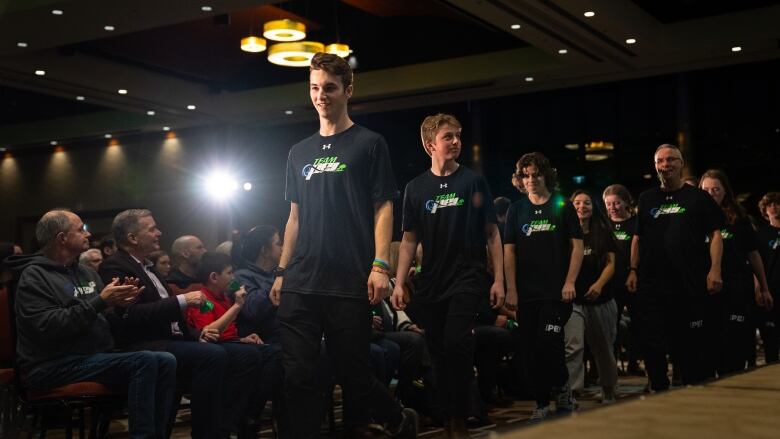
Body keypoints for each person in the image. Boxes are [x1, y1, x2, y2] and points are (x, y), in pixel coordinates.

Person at [269, 52, 416, 438]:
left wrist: (380, 265)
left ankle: (398, 418)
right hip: (301, 278)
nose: (321, 95)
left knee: (353, 372)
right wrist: (282, 272)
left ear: (348, 90)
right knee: (298, 374)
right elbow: (294, 217)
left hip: (349, 277)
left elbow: (383, 207)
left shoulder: (369, 144)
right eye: (315, 87)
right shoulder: (298, 152)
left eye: (330, 88)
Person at [7, 210, 176, 439]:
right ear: (62, 238)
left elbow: (104, 319)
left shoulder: (87, 273)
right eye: (80, 229)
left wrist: (122, 307)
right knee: (144, 361)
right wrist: (100, 301)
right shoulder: (34, 276)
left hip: (92, 356)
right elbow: (47, 326)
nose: (88, 233)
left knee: (165, 360)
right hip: (51, 364)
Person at [391, 113, 503, 438]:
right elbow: (409, 239)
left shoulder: (472, 181)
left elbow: (492, 233)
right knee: (439, 353)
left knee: (457, 343)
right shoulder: (415, 188)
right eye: (448, 137)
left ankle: (463, 418)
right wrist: (399, 282)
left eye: (458, 136)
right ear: (430, 145)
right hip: (432, 282)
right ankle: (451, 418)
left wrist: (499, 280)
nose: (456, 142)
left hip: (468, 276)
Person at [98, 209, 238, 438]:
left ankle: (235, 425)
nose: (159, 233)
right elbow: (132, 315)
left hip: (169, 341)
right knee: (213, 355)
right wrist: (183, 300)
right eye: (152, 229)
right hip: (144, 343)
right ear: (133, 238)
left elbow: (172, 320)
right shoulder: (115, 266)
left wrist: (196, 335)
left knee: (241, 354)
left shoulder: (148, 267)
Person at [626, 144, 724, 391]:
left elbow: (715, 234)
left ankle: (692, 388)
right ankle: (659, 387)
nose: (665, 165)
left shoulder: (698, 197)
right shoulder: (647, 198)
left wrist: (715, 270)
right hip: (652, 283)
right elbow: (637, 238)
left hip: (689, 282)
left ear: (681, 164)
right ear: (655, 166)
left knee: (688, 342)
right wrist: (633, 270)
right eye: (660, 161)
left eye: (671, 160)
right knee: (651, 340)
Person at [503, 152, 583, 423]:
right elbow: (509, 252)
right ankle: (540, 402)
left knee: (550, 342)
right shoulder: (516, 210)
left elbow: (577, 247)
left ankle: (562, 391)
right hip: (526, 294)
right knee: (531, 350)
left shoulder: (562, 205)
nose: (530, 180)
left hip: (556, 292)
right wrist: (510, 288)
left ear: (545, 175)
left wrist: (570, 281)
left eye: (535, 174)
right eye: (525, 175)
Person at [186, 252, 282, 437]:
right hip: (211, 348)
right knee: (251, 356)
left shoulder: (224, 296)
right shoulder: (202, 298)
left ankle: (250, 413)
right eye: (229, 273)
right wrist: (237, 306)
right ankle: (233, 420)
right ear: (214, 277)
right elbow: (210, 332)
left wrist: (242, 339)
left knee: (273, 353)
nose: (233, 277)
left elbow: (230, 332)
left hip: (231, 344)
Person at [699, 170, 772, 373]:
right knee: (710, 346)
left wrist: (764, 288)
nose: (711, 193)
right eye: (706, 190)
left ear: (725, 192)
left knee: (735, 346)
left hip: (737, 289)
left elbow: (754, 255)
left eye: (716, 189)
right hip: (706, 290)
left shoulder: (739, 219)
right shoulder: (694, 218)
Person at [565, 190, 619, 404]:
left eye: (586, 202)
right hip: (574, 300)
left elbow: (611, 265)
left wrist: (599, 284)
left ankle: (608, 388)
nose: (581, 206)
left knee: (603, 347)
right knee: (573, 346)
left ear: (593, 206)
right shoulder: (565, 233)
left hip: (601, 299)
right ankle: (572, 393)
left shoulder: (602, 231)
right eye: (577, 202)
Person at [602, 184, 642, 375]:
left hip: (634, 281)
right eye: (608, 204)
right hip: (611, 284)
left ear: (626, 202)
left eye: (617, 203)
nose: (613, 207)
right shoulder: (603, 225)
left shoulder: (636, 223)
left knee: (639, 326)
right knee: (611, 328)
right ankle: (612, 368)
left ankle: (635, 362)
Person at [232, 226, 282, 344]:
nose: (283, 248)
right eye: (279, 244)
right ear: (264, 251)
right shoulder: (238, 277)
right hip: (262, 341)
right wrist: (277, 277)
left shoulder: (275, 275)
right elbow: (252, 309)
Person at [754, 192, 779, 363]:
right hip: (771, 292)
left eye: (778, 203)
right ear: (765, 210)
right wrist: (760, 290)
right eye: (770, 204)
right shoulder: (760, 235)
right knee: (771, 345)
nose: (774, 207)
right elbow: (756, 266)